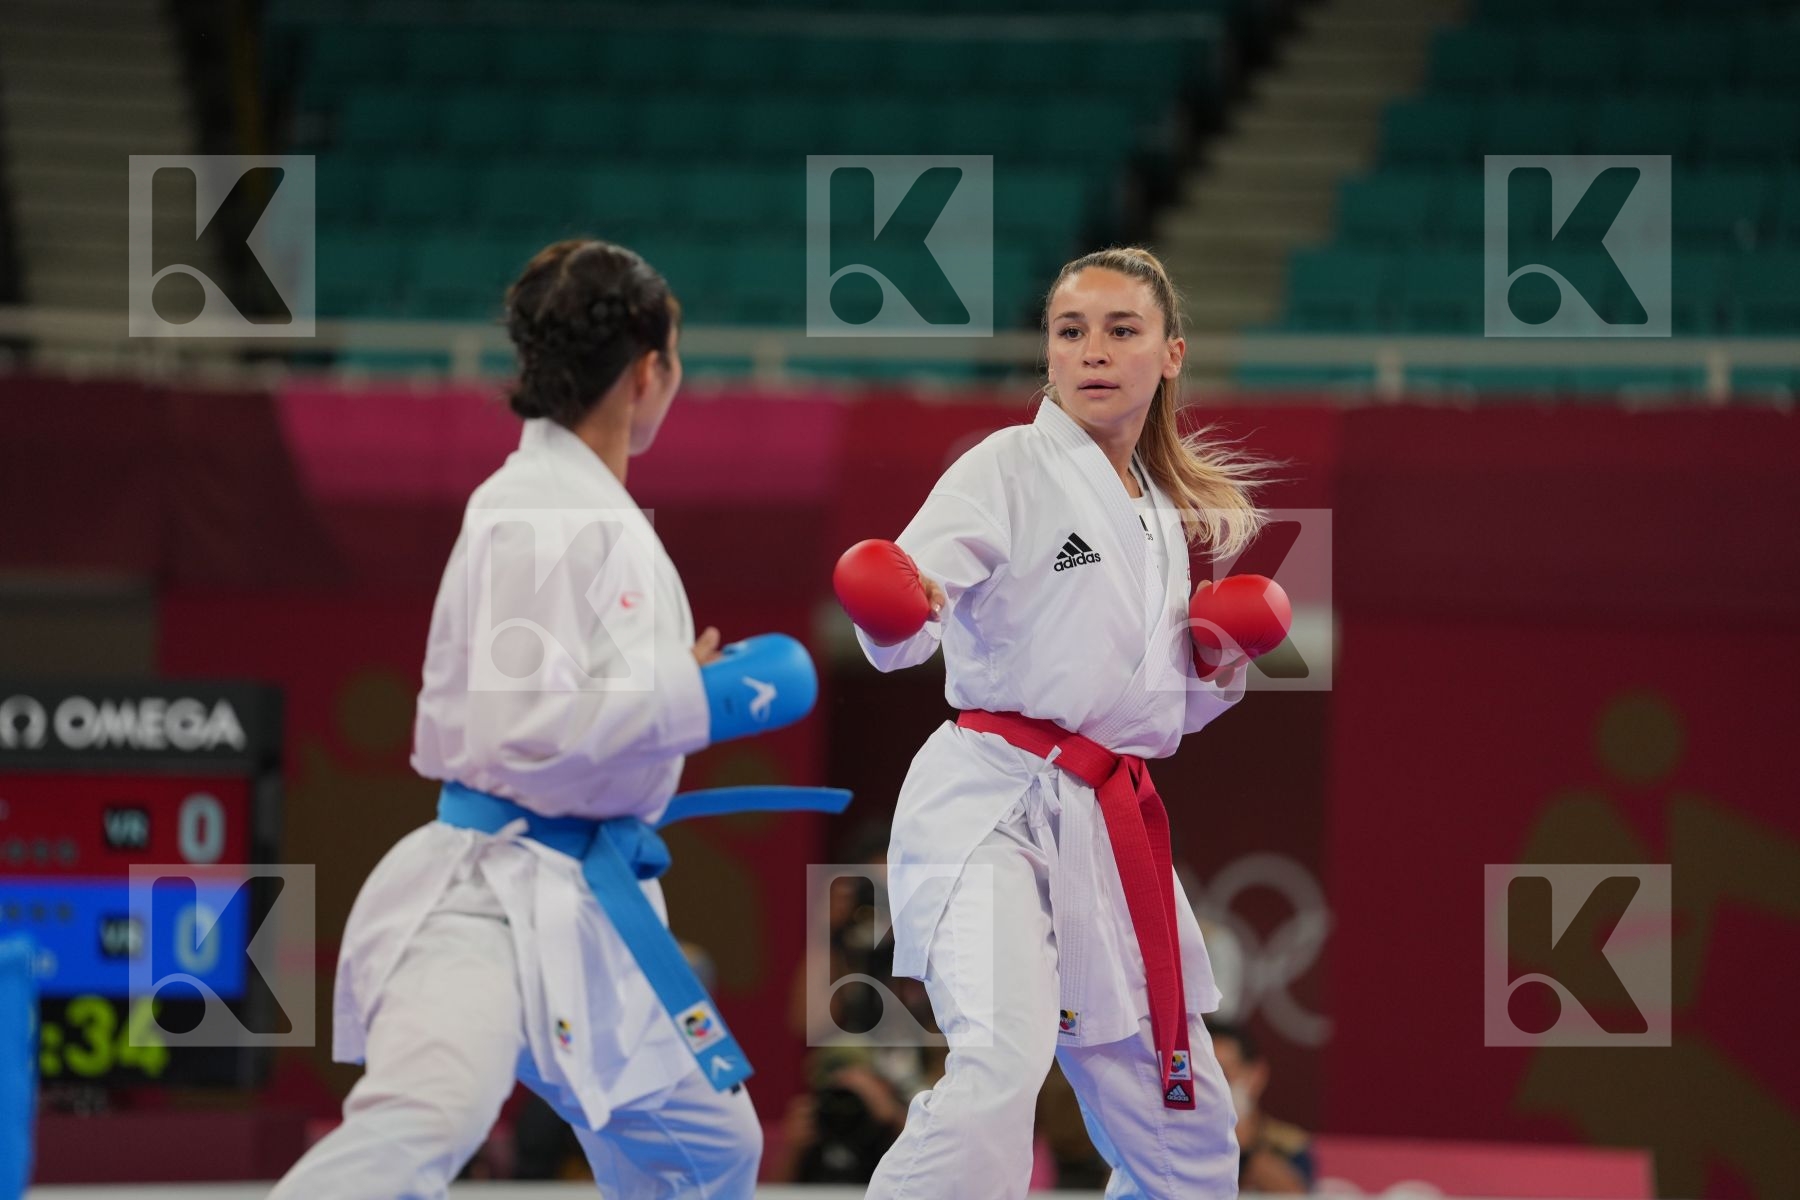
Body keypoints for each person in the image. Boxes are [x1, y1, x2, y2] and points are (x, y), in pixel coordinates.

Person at [269, 239, 825, 1199]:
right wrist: (700, 697)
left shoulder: (587, 507)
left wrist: (671, 681)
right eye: (675, 359)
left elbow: (580, 694)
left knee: (711, 1147)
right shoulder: (532, 511)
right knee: (426, 1121)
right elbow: (522, 723)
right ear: (649, 369)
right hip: (487, 900)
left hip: (590, 906)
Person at [835, 246, 1287, 1199]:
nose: (1092, 351)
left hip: (1102, 822)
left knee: (1192, 1133)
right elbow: (917, 598)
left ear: (1170, 354)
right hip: (990, 805)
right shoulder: (1007, 464)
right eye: (1070, 332)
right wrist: (900, 605)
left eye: (1122, 331)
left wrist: (1212, 660)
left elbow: (1150, 707)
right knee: (1001, 1066)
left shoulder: (1162, 511)